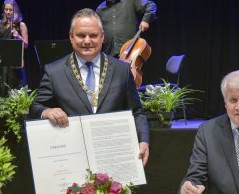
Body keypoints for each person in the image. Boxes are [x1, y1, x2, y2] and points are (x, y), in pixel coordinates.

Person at [30, 8, 150, 166]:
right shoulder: (54, 72)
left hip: (113, 157)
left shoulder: (122, 70)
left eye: (93, 35)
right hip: (72, 158)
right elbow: (36, 106)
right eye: (81, 35)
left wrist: (143, 140)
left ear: (102, 37)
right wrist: (47, 111)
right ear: (71, 37)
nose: (87, 41)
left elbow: (137, 112)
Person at [0, 0, 28, 97]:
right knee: (0, 92)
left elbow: (26, 45)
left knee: (15, 92)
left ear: (15, 10)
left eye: (10, 10)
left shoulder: (21, 25)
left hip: (14, 63)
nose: (8, 12)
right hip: (2, 63)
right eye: (6, 9)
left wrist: (18, 37)